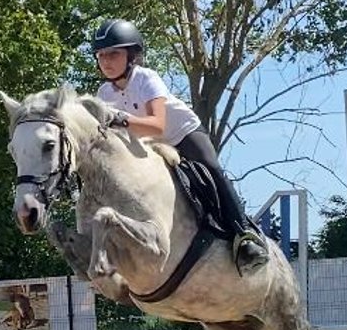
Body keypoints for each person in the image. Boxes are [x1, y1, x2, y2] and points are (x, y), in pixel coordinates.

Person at [90, 18, 269, 274]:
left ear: (131, 55)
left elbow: (157, 126)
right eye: (101, 55)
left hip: (181, 134)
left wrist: (121, 119)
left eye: (113, 54)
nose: (106, 61)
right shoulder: (103, 94)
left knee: (211, 170)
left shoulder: (146, 78)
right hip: (149, 147)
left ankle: (245, 236)